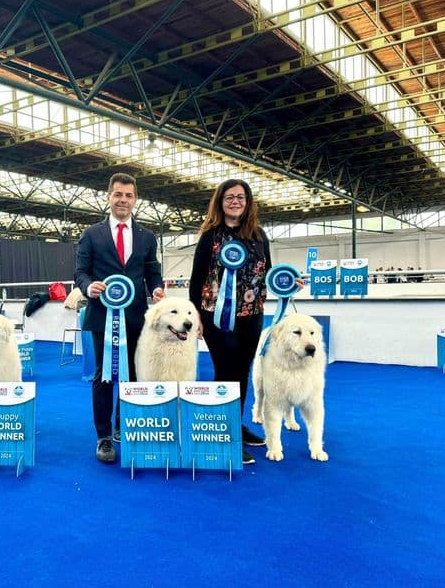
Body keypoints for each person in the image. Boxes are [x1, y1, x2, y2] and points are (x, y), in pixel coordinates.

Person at [189, 178, 301, 465]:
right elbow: (197, 279)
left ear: (248, 202)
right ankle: (223, 432)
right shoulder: (210, 236)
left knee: (240, 372)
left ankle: (234, 424)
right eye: (229, 197)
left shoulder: (259, 235)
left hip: (252, 317)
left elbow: (269, 273)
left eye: (240, 197)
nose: (235, 201)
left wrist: (289, 283)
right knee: (225, 373)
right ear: (220, 201)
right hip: (216, 317)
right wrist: (196, 316)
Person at [74, 172, 165, 464]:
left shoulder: (147, 236)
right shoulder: (91, 234)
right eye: (117, 194)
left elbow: (152, 271)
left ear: (135, 199)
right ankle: (102, 437)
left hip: (138, 316)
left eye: (128, 195)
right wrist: (89, 287)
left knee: (134, 374)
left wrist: (158, 289)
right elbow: (80, 272)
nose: (123, 200)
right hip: (103, 315)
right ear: (108, 197)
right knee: (104, 375)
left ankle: (123, 425)